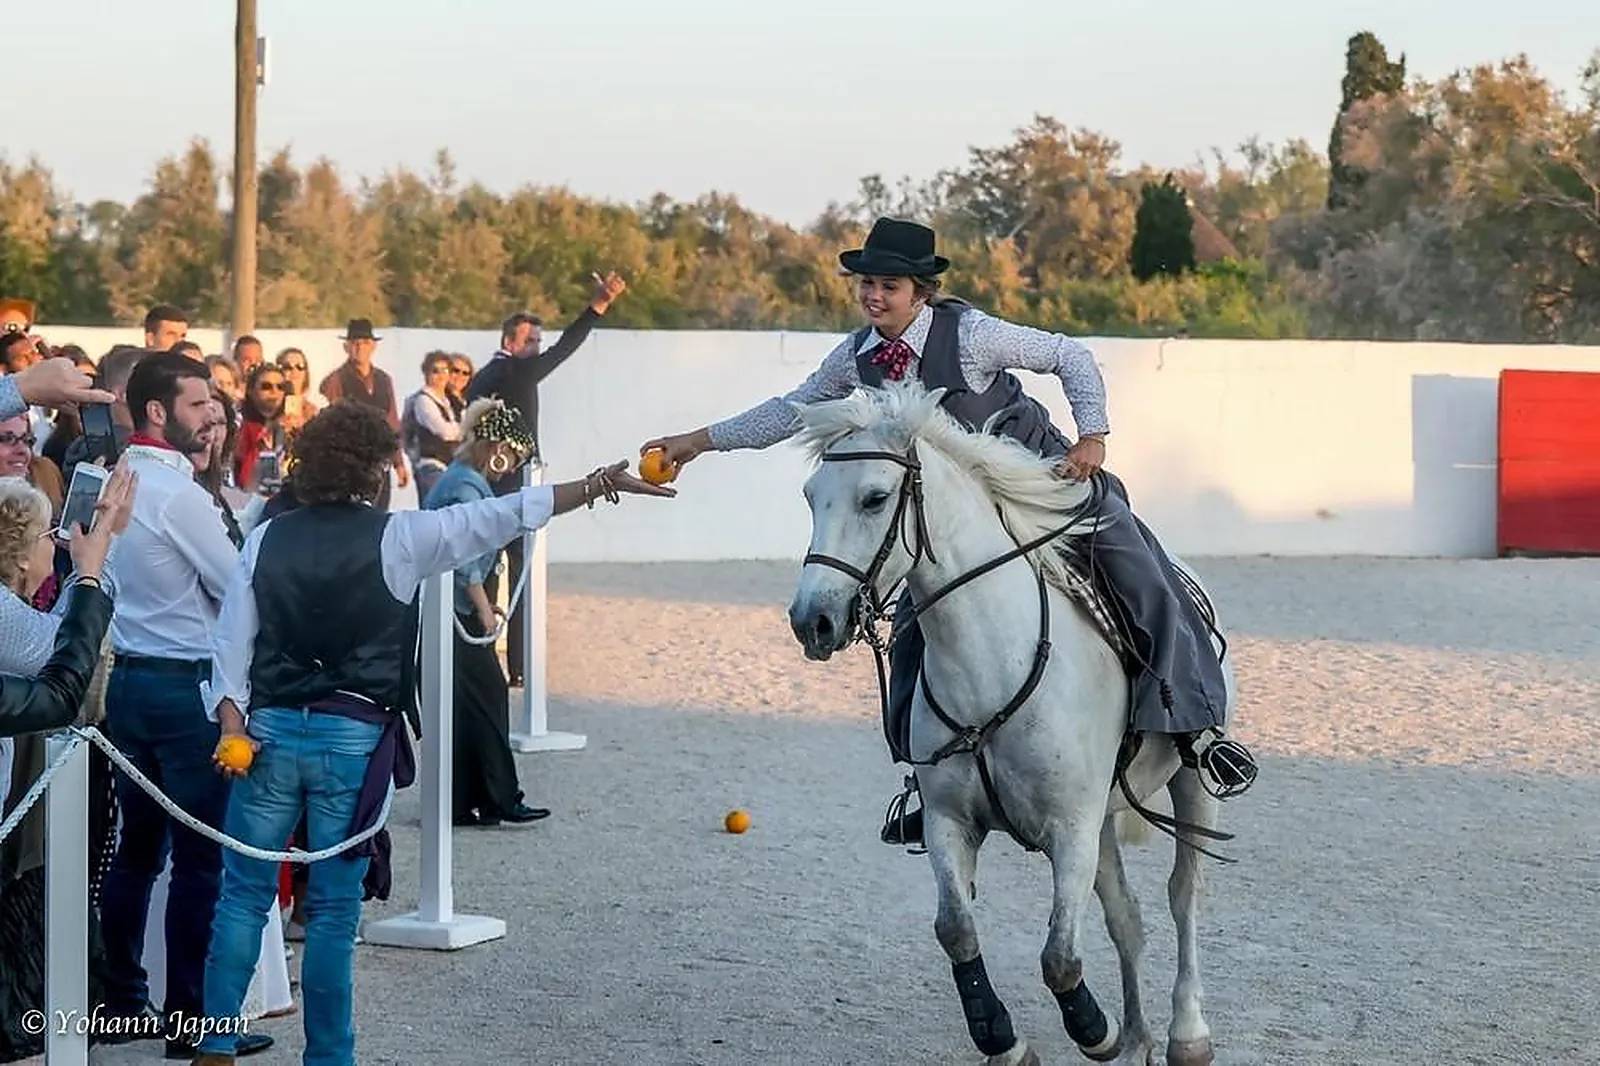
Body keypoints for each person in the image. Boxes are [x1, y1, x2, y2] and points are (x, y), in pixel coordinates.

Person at [640, 217, 1258, 849]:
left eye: (887, 286)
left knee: (1142, 577)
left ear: (921, 292)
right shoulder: (854, 355)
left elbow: (1070, 356)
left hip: (1044, 488)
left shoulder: (974, 337)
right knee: (911, 628)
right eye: (866, 285)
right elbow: (790, 409)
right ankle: (927, 776)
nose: (872, 297)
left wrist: (1093, 436)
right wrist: (697, 442)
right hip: (958, 522)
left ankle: (1195, 731)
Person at [190, 402, 673, 1065]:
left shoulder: (268, 537)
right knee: (332, 912)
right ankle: (329, 1057)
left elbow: (230, 646)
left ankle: (214, 1044)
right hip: (352, 737)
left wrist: (232, 723)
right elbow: (506, 514)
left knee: (242, 895)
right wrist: (600, 483)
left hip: (267, 731)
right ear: (374, 469)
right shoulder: (402, 535)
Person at [95, 352, 273, 1059]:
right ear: (159, 413)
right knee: (201, 860)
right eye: (199, 405)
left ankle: (123, 999)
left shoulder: (108, 479)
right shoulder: (179, 494)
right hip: (185, 685)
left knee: (135, 853)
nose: (212, 416)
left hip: (128, 682)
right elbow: (238, 588)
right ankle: (190, 1021)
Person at [465, 271, 627, 685]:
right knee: (516, 579)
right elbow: (565, 349)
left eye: (537, 341)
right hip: (511, 486)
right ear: (510, 343)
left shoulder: (485, 376)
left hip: (488, 484)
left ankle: (487, 661)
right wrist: (598, 307)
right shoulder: (512, 373)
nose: (537, 349)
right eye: (530, 341)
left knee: (487, 574)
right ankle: (515, 667)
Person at [422, 398, 549, 827]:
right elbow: (463, 558)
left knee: (463, 704)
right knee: (489, 695)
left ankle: (463, 799)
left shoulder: (462, 480)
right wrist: (483, 609)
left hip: (444, 610)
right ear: (495, 445)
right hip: (454, 612)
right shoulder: (467, 487)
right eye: (510, 455)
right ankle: (499, 796)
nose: (509, 466)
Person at [317, 319, 408, 509]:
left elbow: (392, 420)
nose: (360, 348)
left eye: (365, 343)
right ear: (346, 347)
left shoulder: (384, 379)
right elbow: (336, 420)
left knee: (380, 515)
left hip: (380, 461)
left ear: (373, 346)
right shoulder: (336, 379)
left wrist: (398, 462)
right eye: (355, 343)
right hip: (352, 463)